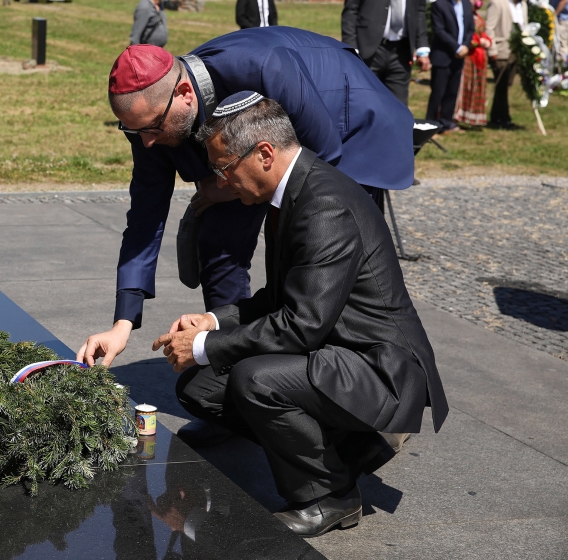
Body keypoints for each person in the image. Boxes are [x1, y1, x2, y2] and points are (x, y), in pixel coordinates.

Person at [152, 92, 448, 537]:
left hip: (379, 367)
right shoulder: (294, 189)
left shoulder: (323, 203)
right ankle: (349, 446)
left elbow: (301, 323)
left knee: (255, 379)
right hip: (337, 347)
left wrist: (202, 346)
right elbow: (283, 297)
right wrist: (213, 323)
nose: (222, 179)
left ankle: (329, 496)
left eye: (224, 166)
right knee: (201, 386)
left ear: (265, 154)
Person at [76, 31, 414, 380]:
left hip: (350, 125)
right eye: (134, 131)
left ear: (184, 93)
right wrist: (122, 324)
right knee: (218, 242)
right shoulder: (152, 117)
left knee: (320, 267)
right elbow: (144, 218)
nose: (147, 142)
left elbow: (319, 166)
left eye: (152, 128)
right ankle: (236, 377)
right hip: (258, 156)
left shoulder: (265, 68)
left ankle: (365, 387)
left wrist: (229, 190)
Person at [341, 0, 431, 104]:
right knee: (364, 103)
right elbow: (350, 11)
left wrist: (422, 48)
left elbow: (419, 11)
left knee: (398, 107)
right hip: (367, 49)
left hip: (401, 52)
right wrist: (351, 47)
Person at [426, 0, 474, 134]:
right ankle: (431, 125)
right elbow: (439, 30)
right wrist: (457, 48)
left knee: (452, 92)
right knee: (438, 92)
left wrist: (465, 46)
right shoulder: (439, 4)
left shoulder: (466, 4)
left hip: (460, 56)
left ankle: (446, 123)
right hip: (443, 55)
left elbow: (470, 28)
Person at [486, 0, 528, 129]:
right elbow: (489, 28)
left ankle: (496, 116)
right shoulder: (497, 4)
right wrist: (492, 50)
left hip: (516, 51)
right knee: (501, 84)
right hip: (501, 51)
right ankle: (504, 118)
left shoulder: (523, 5)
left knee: (506, 85)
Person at [454, 0, 492, 127]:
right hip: (469, 56)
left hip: (479, 58)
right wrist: (477, 42)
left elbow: (482, 32)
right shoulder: (465, 15)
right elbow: (467, 35)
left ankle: (473, 117)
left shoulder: (478, 17)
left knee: (476, 87)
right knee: (465, 86)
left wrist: (487, 40)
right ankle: (457, 115)